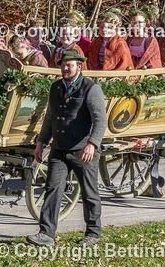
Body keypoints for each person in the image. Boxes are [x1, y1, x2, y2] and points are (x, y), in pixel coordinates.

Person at [26, 48, 106, 247]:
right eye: (62, 65)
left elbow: (100, 120)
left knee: (89, 192)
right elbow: (50, 117)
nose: (65, 69)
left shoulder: (90, 88)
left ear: (79, 66)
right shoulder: (56, 88)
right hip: (59, 149)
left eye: (69, 66)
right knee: (53, 189)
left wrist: (92, 144)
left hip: (82, 150)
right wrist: (41, 142)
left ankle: (93, 233)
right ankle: (46, 234)